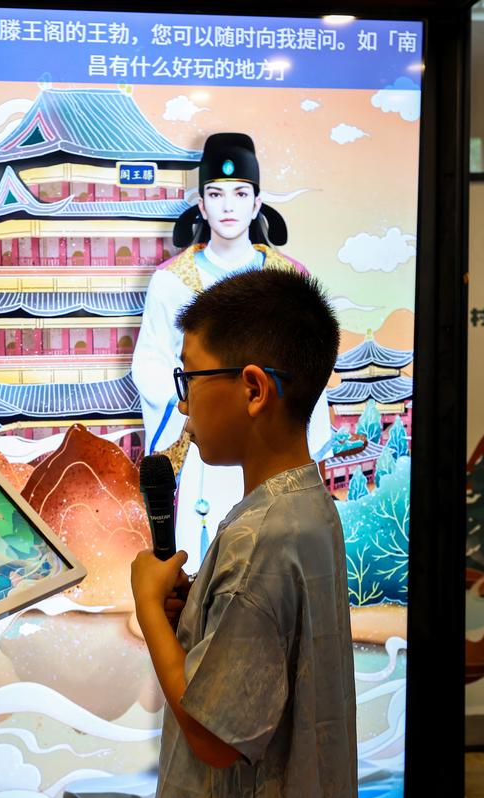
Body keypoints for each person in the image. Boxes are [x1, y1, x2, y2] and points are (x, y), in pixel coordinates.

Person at [130, 268, 357, 798]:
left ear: (253, 390)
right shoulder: (309, 504)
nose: (183, 406)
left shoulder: (260, 538)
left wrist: (149, 608)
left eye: (190, 379)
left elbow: (213, 738)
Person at [132, 132, 333, 569]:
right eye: (216, 194)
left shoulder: (288, 276)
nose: (228, 206)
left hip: (270, 439)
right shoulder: (171, 280)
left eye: (240, 194)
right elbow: (149, 363)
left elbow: (308, 365)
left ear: (257, 203)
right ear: (201, 205)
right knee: (203, 546)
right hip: (207, 439)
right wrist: (197, 404)